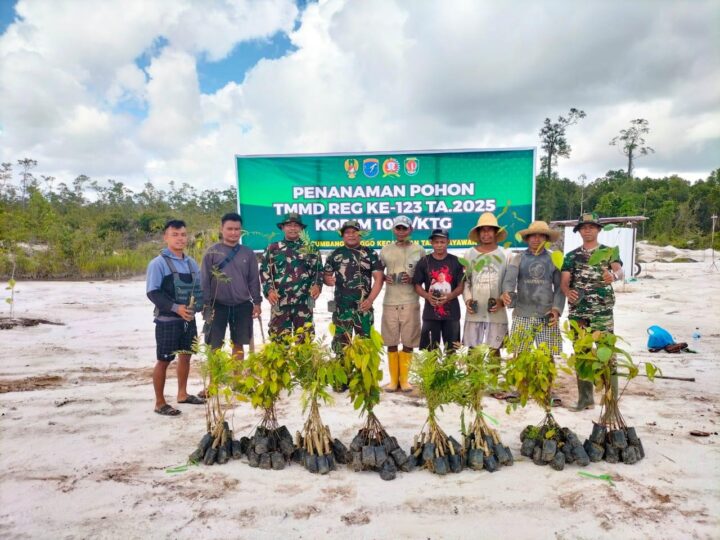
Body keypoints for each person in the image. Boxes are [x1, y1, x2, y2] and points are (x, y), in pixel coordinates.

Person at [560, 212, 624, 411]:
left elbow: (620, 271)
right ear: (579, 231)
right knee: (582, 354)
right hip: (579, 314)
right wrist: (567, 292)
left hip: (602, 314)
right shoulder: (571, 256)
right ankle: (585, 399)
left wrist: (613, 276)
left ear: (598, 229)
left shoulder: (609, 252)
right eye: (583, 228)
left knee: (608, 355)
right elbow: (564, 282)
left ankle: (611, 399)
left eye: (591, 227)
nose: (587, 230)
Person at [146, 219, 205, 416]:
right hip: (167, 321)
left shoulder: (191, 263)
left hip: (188, 320)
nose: (180, 239)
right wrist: (175, 308)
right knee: (163, 360)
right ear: (166, 237)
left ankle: (182, 394)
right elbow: (153, 293)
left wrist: (199, 307)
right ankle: (160, 402)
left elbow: (198, 289)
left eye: (183, 235)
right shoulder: (158, 264)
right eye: (175, 235)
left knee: (186, 356)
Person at [201, 212, 262, 360]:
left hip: (242, 305)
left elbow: (254, 280)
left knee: (239, 345)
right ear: (222, 229)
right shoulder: (212, 252)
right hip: (217, 306)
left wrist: (257, 302)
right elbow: (204, 280)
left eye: (237, 229)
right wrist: (206, 305)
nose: (234, 232)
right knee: (214, 347)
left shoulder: (248, 253)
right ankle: (214, 382)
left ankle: (238, 381)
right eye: (230, 229)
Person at [501, 220, 565, 355]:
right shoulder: (518, 258)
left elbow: (560, 288)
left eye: (541, 235)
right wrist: (507, 293)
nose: (537, 239)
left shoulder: (554, 258)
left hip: (548, 315)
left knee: (547, 357)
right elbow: (509, 281)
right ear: (527, 238)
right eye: (533, 235)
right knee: (520, 356)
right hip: (522, 314)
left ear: (546, 239)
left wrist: (556, 310)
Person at [323, 219, 384, 359]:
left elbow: (379, 279)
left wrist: (370, 300)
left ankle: (364, 380)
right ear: (343, 236)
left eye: (354, 232)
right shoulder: (334, 254)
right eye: (347, 232)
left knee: (366, 348)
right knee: (341, 348)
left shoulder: (370, 254)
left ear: (360, 234)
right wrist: (328, 281)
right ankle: (344, 381)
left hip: (363, 308)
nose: (351, 235)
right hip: (341, 309)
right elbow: (326, 276)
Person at [379, 215, 425, 393]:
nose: (401, 232)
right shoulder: (385, 250)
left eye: (404, 228)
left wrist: (413, 278)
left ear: (410, 230)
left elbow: (425, 275)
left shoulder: (419, 250)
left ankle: (405, 380)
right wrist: (385, 277)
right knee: (391, 340)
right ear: (393, 230)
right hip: (390, 300)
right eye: (398, 228)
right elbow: (377, 274)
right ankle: (393, 381)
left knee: (409, 340)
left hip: (410, 300)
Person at [260, 212, 322, 338]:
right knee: (280, 344)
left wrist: (317, 286)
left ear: (301, 228)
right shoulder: (272, 249)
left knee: (305, 343)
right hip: (280, 303)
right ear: (282, 227)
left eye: (296, 225)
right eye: (289, 225)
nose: (292, 228)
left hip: (304, 304)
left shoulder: (311, 248)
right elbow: (264, 272)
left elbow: (318, 271)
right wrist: (269, 291)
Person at [462, 212, 509, 354]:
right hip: (475, 311)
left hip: (497, 311)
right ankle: (473, 377)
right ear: (478, 233)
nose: (486, 233)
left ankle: (493, 378)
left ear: (496, 232)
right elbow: (466, 282)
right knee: (473, 352)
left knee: (495, 352)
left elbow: (510, 282)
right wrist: (468, 300)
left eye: (489, 229)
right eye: (482, 229)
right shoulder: (469, 254)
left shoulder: (506, 254)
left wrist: (502, 301)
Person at [413, 228, 464, 352]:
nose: (439, 245)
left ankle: (450, 372)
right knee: (430, 352)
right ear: (431, 243)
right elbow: (417, 285)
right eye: (436, 242)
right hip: (430, 314)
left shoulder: (457, 262)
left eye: (442, 242)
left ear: (448, 242)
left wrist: (450, 296)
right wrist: (427, 296)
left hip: (452, 314)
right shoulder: (424, 261)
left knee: (452, 351)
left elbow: (461, 286)